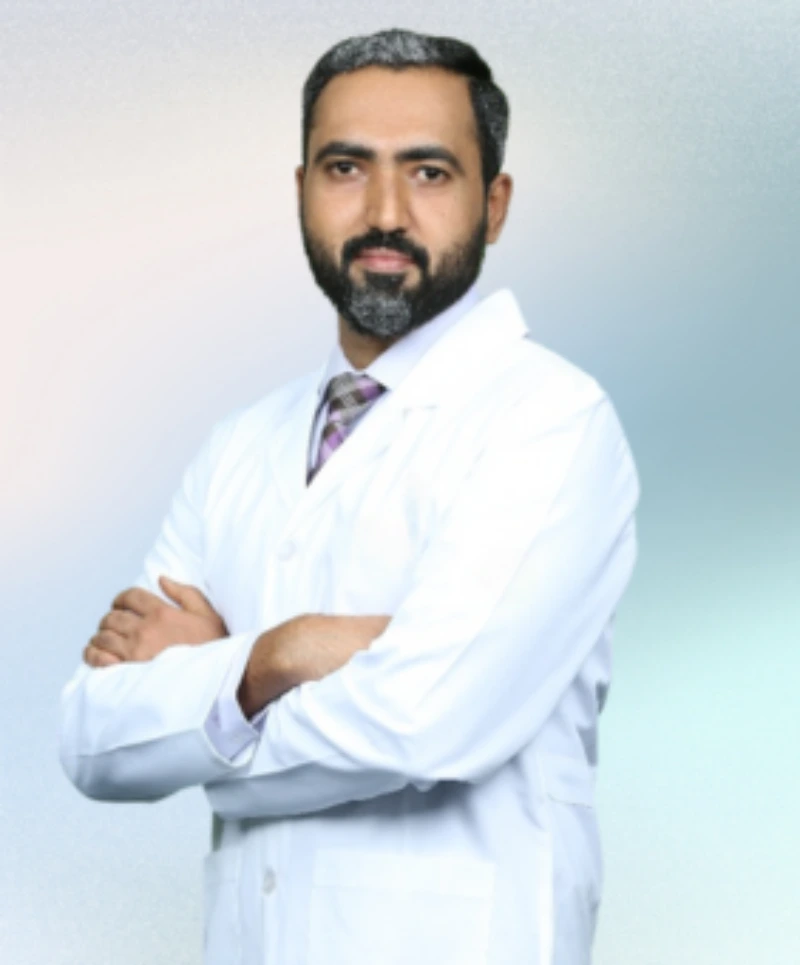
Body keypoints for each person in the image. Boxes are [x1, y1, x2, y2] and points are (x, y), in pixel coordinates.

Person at [59, 27, 640, 965]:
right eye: (346, 167)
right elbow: (94, 737)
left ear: (494, 204)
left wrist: (211, 691)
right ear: (301, 191)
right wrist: (282, 655)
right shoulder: (239, 445)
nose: (384, 212)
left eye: (429, 172)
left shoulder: (551, 421)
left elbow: (422, 721)